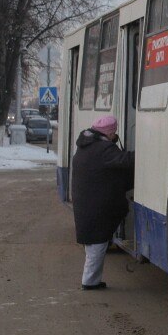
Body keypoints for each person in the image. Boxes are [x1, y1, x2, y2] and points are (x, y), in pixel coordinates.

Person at [71, 115, 134, 291]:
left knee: (93, 245)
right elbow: (126, 160)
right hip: (96, 206)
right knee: (97, 245)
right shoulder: (104, 149)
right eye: (114, 132)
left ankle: (91, 280)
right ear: (111, 132)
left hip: (87, 202)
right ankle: (89, 282)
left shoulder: (86, 145)